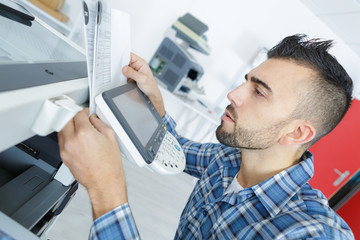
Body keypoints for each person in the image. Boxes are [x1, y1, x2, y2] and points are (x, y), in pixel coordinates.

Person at [58, 34, 355, 239]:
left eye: (259, 92)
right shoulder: (227, 160)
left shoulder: (310, 233)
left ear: (298, 132)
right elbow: (173, 148)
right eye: (246, 82)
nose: (233, 95)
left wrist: (106, 188)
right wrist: (156, 106)